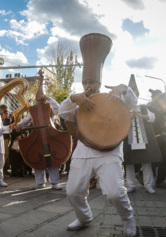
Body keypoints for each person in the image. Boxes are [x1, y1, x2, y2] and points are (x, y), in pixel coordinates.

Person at [58, 33, 137, 236]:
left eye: (92, 82)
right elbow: (62, 112)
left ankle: (128, 219)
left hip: (110, 151)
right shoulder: (78, 100)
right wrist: (72, 98)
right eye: (86, 82)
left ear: (99, 82)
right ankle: (84, 218)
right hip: (84, 151)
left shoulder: (112, 97)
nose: (88, 86)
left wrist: (125, 89)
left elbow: (133, 103)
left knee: (114, 193)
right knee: (73, 191)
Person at [123, 75, 162, 194]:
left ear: (138, 94)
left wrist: (140, 116)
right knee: (129, 162)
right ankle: (130, 185)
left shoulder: (143, 107)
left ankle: (148, 185)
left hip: (143, 139)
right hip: (129, 139)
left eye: (135, 93)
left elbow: (152, 117)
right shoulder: (122, 108)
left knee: (147, 161)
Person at [16, 94, 63, 190]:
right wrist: (19, 124)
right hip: (37, 136)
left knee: (53, 159)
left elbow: (59, 109)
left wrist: (48, 98)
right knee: (37, 157)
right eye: (38, 98)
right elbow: (26, 121)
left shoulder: (50, 107)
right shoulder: (32, 109)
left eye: (42, 98)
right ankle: (40, 182)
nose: (40, 100)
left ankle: (54, 183)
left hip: (50, 135)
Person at [146, 89, 166, 189]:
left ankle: (159, 179)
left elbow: (164, 116)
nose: (160, 98)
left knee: (164, 157)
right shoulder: (148, 106)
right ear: (154, 96)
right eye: (159, 96)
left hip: (160, 134)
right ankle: (157, 180)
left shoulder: (160, 106)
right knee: (158, 158)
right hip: (153, 135)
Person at [0, 104, 11, 177]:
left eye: (6, 111)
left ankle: (4, 170)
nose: (5, 113)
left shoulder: (8, 120)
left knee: (6, 155)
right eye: (3, 110)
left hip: (6, 139)